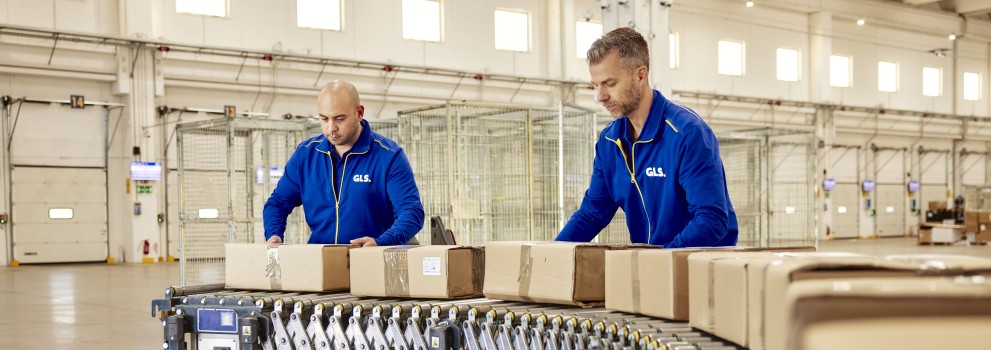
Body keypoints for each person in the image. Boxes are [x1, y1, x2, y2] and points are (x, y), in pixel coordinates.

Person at [555, 28, 738, 248]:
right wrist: (550, 256)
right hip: (651, 266)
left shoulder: (687, 133)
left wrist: (661, 262)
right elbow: (592, 214)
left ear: (640, 75)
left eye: (610, 84)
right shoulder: (610, 142)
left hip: (697, 268)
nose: (599, 97)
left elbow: (712, 219)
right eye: (596, 85)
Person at [263, 80, 424, 246]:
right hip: (323, 259)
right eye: (324, 119)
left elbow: (411, 212)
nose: (331, 128)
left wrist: (381, 242)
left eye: (340, 119)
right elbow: (277, 203)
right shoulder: (305, 155)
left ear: (359, 113)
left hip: (371, 258)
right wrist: (274, 233)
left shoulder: (388, 157)